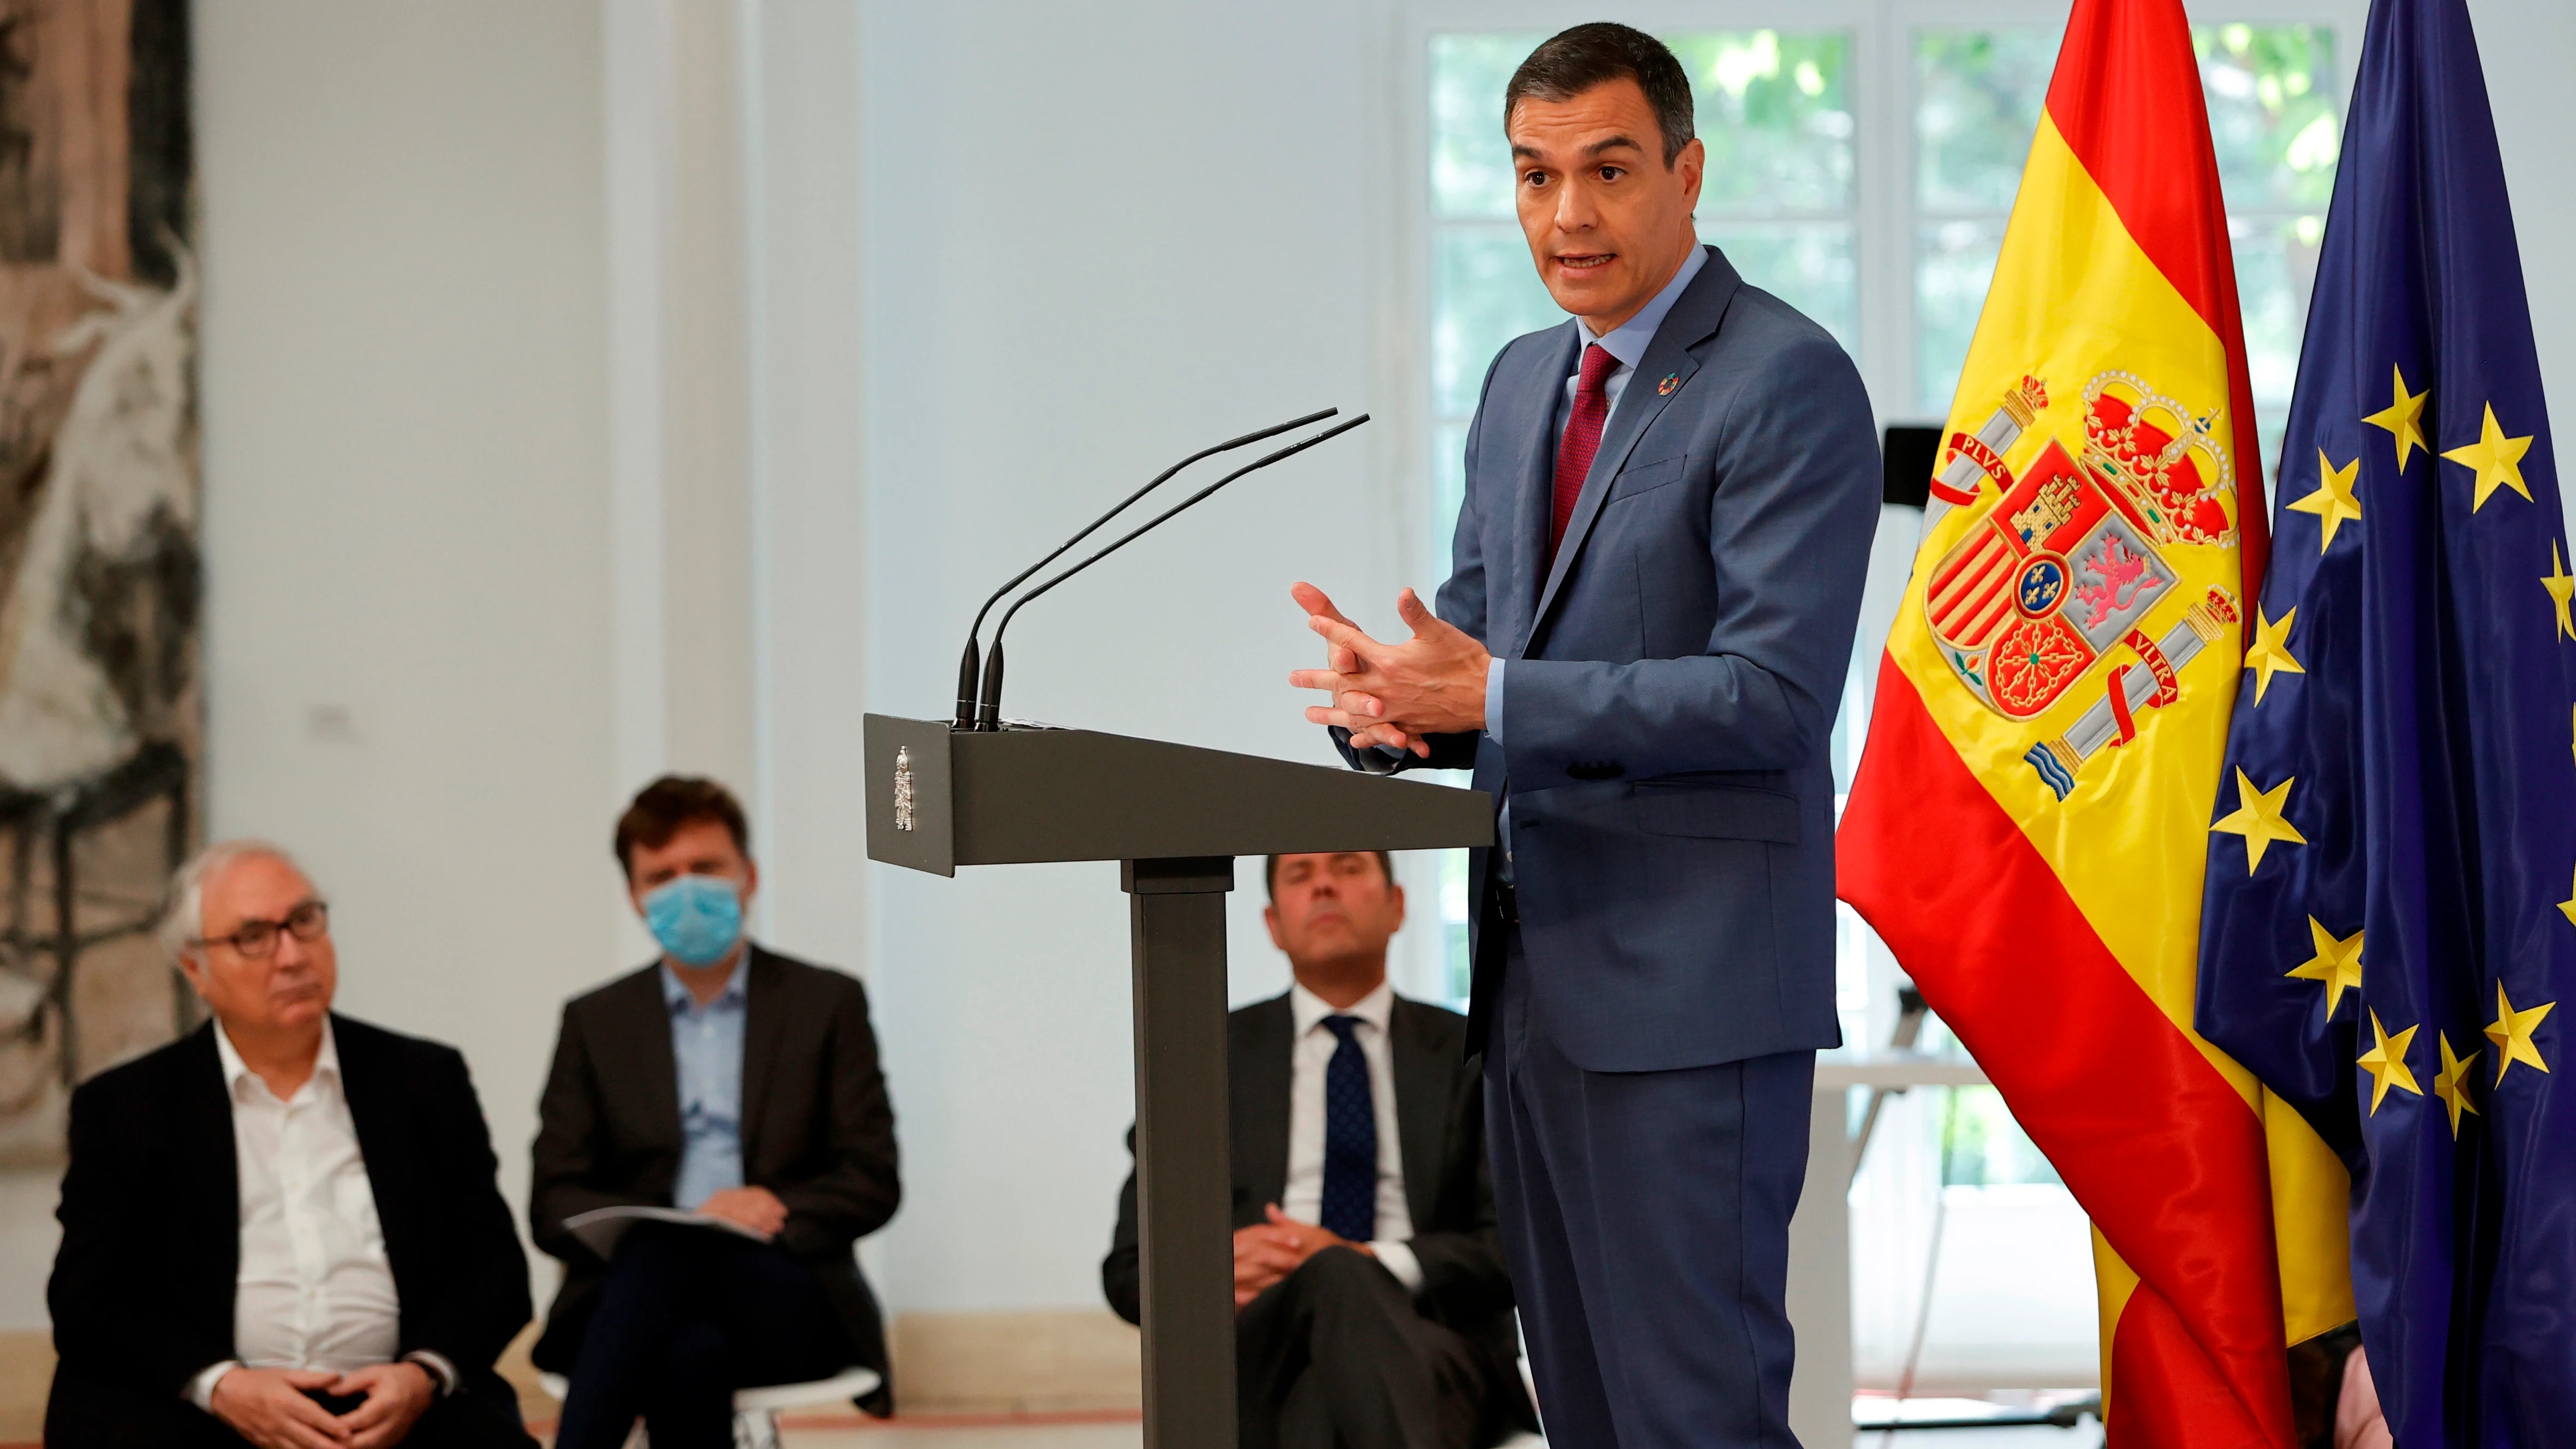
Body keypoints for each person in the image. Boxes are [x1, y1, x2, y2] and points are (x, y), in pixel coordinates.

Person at [1287, 23, 1879, 1449]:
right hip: (1536, 985)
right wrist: (1393, 705)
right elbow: (1486, 647)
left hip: (1697, 991)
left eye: (1608, 170)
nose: (1568, 213)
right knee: (1594, 1415)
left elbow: (1771, 694)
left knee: (1699, 1412)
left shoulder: (1784, 378)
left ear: (1685, 171)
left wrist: (1484, 698)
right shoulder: (1514, 385)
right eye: (1535, 173)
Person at [46, 842, 537, 1449]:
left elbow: (496, 1271)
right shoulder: (126, 1105)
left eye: (304, 921)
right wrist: (221, 1385)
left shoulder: (422, 1079)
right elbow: (88, 1299)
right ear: (195, 968)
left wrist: (421, 1374)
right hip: (205, 1409)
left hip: (394, 1408)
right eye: (254, 936)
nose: (292, 954)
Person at [1103, 850, 1536, 1449]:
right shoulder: (1205, 1058)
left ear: (1397, 906)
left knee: (1327, 1353)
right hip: (1260, 1344)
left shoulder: (1471, 1055)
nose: (1325, 885)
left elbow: (1518, 1253)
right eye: (1300, 877)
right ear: (1273, 924)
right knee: (1328, 1319)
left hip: (1433, 1343)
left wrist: (1363, 1260)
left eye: (1348, 868)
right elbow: (1127, 1274)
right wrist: (1208, 1272)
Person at [530, 776, 899, 1447]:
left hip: (784, 1292)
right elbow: (552, 1201)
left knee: (661, 1259)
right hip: (640, 1310)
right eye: (662, 875)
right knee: (688, 1350)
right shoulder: (596, 1023)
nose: (687, 889)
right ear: (635, 897)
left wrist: (765, 1207)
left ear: (749, 876)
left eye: (706, 868)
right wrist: (684, 1225)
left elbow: (871, 1179)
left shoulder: (825, 1004)